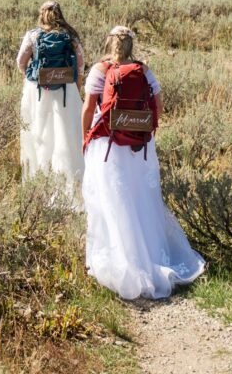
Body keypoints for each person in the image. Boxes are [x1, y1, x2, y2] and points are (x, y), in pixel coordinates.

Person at [81, 26, 205, 299]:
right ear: (131, 46)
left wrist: (86, 139)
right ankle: (150, 256)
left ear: (110, 43)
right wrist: (144, 130)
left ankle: (122, 259)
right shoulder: (143, 70)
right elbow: (158, 104)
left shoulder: (100, 70)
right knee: (141, 199)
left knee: (112, 201)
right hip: (140, 145)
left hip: (108, 145)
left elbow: (89, 108)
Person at [16, 0, 85, 202]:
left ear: (41, 15)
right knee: (66, 135)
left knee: (40, 133)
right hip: (66, 90)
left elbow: (20, 61)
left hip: (38, 90)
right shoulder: (70, 36)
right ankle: (71, 184)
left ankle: (40, 181)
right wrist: (76, 85)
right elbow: (80, 64)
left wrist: (32, 76)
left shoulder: (33, 35)